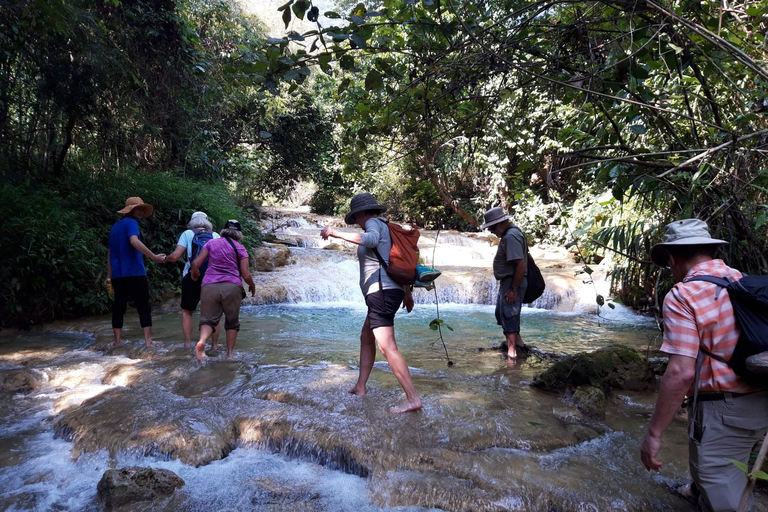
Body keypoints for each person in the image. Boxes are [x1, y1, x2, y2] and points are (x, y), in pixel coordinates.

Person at [640, 219, 768, 512]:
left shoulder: (683, 295)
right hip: (761, 395)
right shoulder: (740, 279)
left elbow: (681, 372)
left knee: (720, 481)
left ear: (673, 258)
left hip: (724, 408)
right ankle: (695, 492)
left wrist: (654, 434)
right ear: (711, 250)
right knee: (730, 463)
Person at [320, 192, 422, 414]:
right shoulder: (387, 226)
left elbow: (370, 240)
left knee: (387, 346)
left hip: (381, 292)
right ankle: (360, 386)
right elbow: (395, 260)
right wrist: (407, 293)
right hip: (388, 291)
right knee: (367, 336)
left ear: (364, 213)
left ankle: (412, 398)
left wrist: (336, 233)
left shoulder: (374, 224)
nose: (356, 221)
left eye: (356, 217)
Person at [190, 220, 255, 362]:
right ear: (239, 233)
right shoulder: (240, 248)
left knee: (207, 319)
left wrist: (194, 274)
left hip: (209, 286)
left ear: (223, 231)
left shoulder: (211, 243)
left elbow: (196, 263)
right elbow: (245, 274)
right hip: (231, 287)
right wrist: (252, 285)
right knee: (232, 322)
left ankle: (202, 341)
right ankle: (230, 354)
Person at [106, 197, 166, 347]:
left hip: (118, 275)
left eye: (142, 209)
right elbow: (133, 241)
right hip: (135, 272)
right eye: (139, 208)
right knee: (143, 305)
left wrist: (108, 275)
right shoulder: (132, 223)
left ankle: (117, 341)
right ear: (131, 210)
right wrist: (153, 256)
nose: (141, 211)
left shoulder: (114, 227)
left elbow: (109, 253)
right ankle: (148, 341)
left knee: (119, 307)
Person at [165, 211, 222, 349]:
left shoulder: (187, 234)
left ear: (192, 222)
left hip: (191, 276)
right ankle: (214, 345)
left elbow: (176, 255)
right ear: (207, 222)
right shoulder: (215, 236)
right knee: (214, 312)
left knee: (187, 311)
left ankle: (188, 343)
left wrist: (165, 258)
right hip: (212, 277)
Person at [482, 207, 528, 360]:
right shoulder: (511, 233)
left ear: (500, 223)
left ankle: (512, 353)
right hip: (509, 282)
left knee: (509, 315)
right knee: (501, 314)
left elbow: (521, 264)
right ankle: (520, 345)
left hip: (513, 282)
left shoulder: (510, 237)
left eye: (492, 227)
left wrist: (513, 289)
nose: (492, 231)